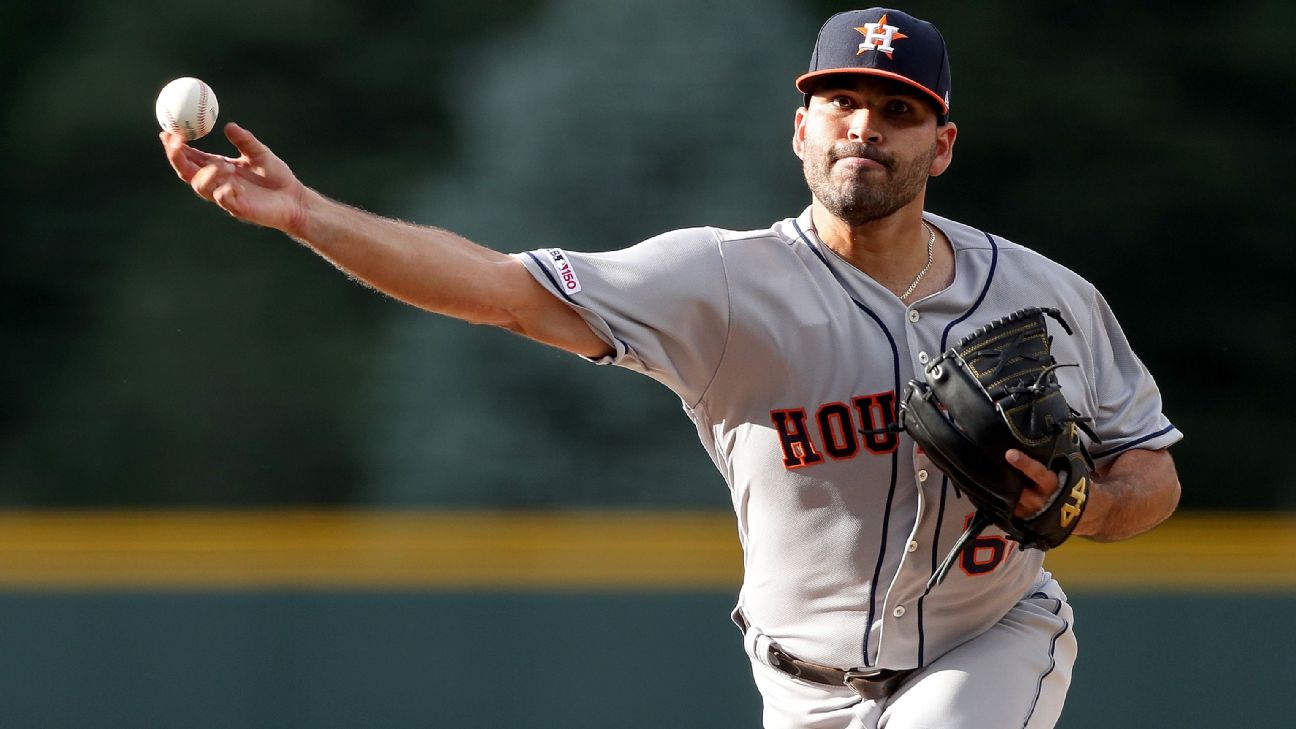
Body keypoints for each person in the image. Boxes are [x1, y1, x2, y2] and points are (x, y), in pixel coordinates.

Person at [161, 7, 1181, 728]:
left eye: (898, 109)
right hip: (800, 679)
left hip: (987, 640)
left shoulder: (1043, 296)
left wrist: (1090, 507)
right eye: (840, 101)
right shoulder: (721, 283)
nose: (864, 126)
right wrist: (306, 215)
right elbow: (499, 290)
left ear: (942, 144)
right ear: (800, 130)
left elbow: (1152, 473)